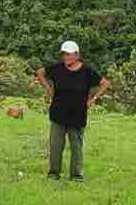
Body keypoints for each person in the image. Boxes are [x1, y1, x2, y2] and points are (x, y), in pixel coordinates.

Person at [35, 40, 108, 180]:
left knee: (76, 147)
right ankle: (53, 173)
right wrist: (48, 88)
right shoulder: (57, 68)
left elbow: (104, 83)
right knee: (56, 146)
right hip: (58, 113)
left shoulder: (87, 71)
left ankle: (76, 175)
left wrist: (93, 99)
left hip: (77, 115)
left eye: (69, 54)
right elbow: (39, 72)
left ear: (77, 55)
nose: (66, 57)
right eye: (64, 54)